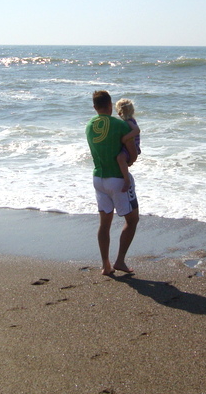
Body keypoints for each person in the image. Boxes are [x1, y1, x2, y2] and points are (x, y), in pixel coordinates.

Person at [86, 90, 139, 276]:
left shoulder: (89, 125)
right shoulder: (120, 125)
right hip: (117, 180)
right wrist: (129, 161)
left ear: (95, 107)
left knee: (104, 223)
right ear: (110, 105)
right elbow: (132, 155)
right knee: (132, 220)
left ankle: (105, 265)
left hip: (98, 179)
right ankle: (120, 261)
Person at [115, 98, 141, 192]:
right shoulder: (126, 122)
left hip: (133, 147)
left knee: (120, 158)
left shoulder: (130, 121)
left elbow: (137, 130)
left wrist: (125, 138)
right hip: (127, 146)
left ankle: (127, 180)